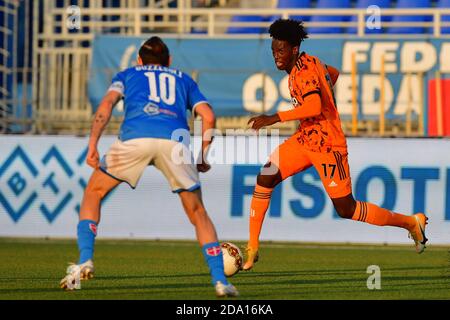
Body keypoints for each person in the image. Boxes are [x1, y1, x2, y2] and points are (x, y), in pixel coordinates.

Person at [243, 19, 428, 271]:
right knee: (266, 176)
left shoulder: (305, 71)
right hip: (305, 138)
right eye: (274, 50)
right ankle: (252, 248)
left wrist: (272, 118)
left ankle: (410, 223)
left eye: (282, 50)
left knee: (346, 208)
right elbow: (334, 74)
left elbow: (314, 106)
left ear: (294, 49)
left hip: (328, 145)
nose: (277, 55)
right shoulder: (310, 63)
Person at [60, 36, 238, 297]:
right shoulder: (183, 78)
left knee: (94, 193)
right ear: (169, 61)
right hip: (174, 143)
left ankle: (86, 259)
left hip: (135, 138)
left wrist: (93, 144)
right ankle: (220, 281)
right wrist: (202, 155)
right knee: (198, 213)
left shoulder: (128, 74)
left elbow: (106, 104)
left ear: (139, 60)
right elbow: (208, 115)